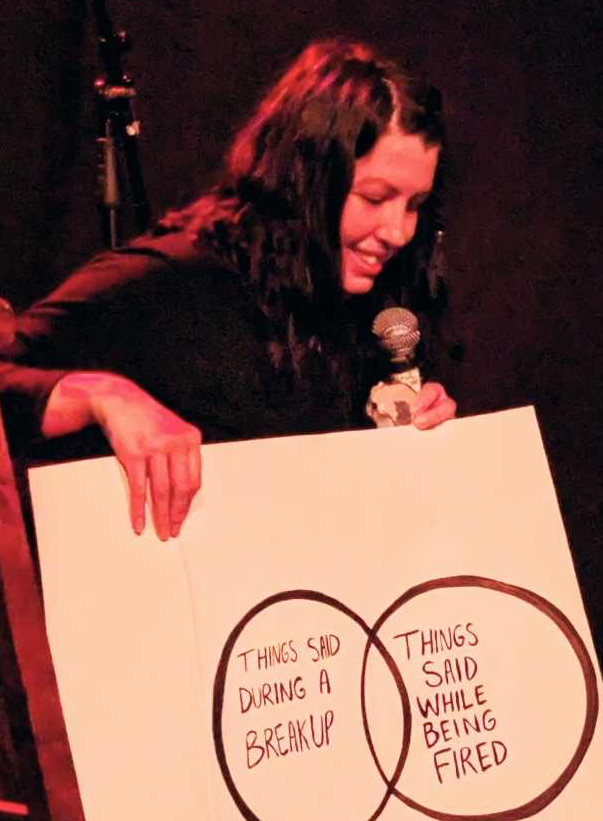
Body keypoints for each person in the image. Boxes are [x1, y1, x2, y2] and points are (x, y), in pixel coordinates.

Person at [0, 38, 456, 541]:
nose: (398, 231)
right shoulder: (173, 281)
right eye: (374, 197)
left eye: (414, 205)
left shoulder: (379, 303)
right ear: (308, 182)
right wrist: (99, 393)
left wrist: (423, 432)